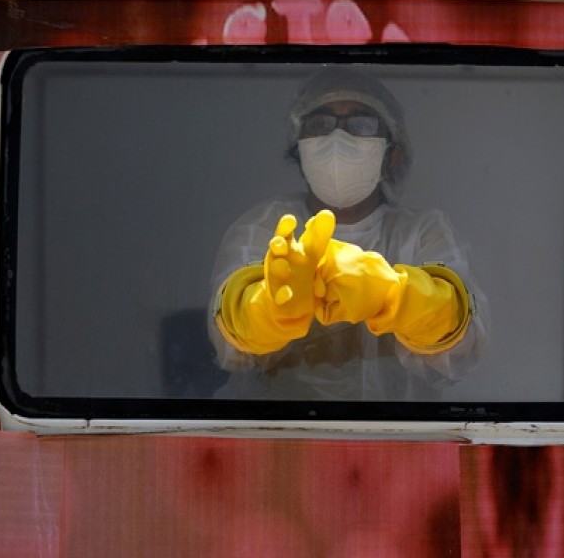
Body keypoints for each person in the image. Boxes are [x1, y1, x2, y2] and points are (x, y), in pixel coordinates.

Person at [208, 66, 488, 400]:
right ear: (300, 149)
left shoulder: (423, 232)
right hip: (276, 440)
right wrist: (268, 307)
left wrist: (397, 297)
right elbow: (230, 349)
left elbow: (462, 351)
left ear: (392, 156)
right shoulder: (264, 228)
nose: (337, 137)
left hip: (401, 441)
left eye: (361, 122)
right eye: (320, 124)